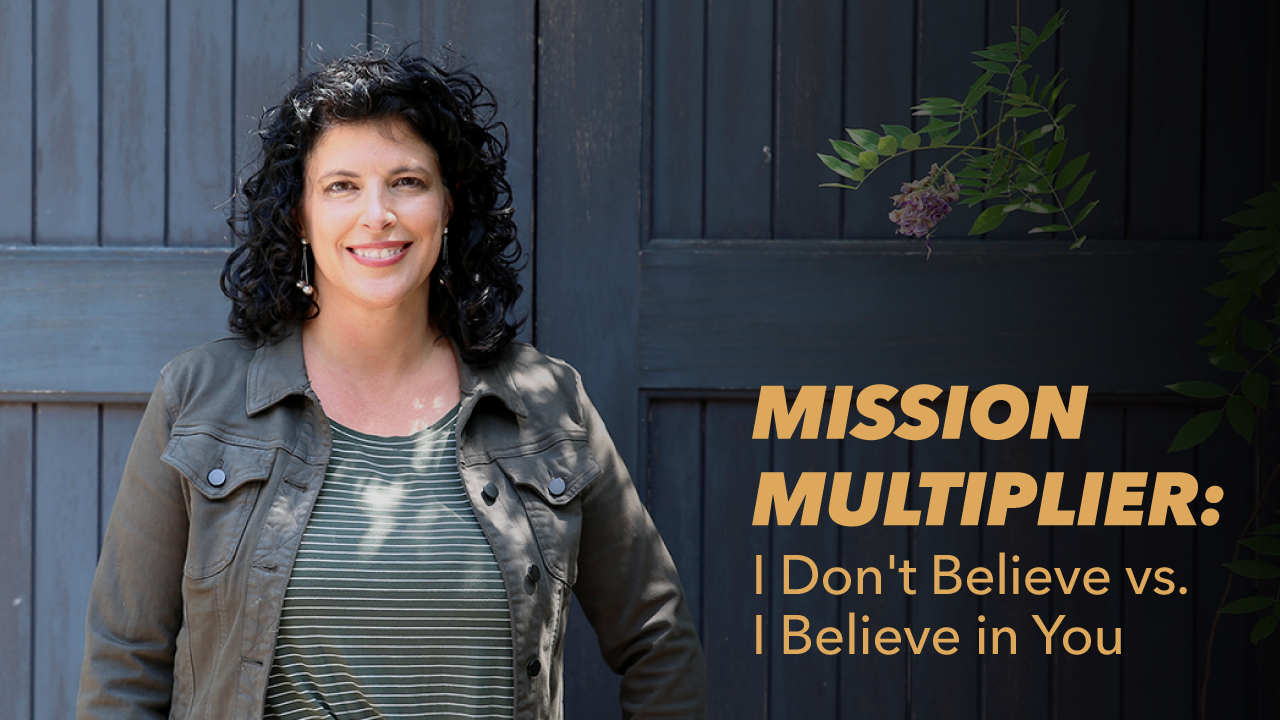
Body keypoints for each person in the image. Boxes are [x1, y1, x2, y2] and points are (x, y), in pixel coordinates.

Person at [77, 52, 706, 720]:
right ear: (299, 215)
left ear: (447, 204)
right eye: (341, 186)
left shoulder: (546, 403)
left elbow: (659, 643)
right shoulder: (198, 397)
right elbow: (125, 664)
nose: (377, 214)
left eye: (407, 181)